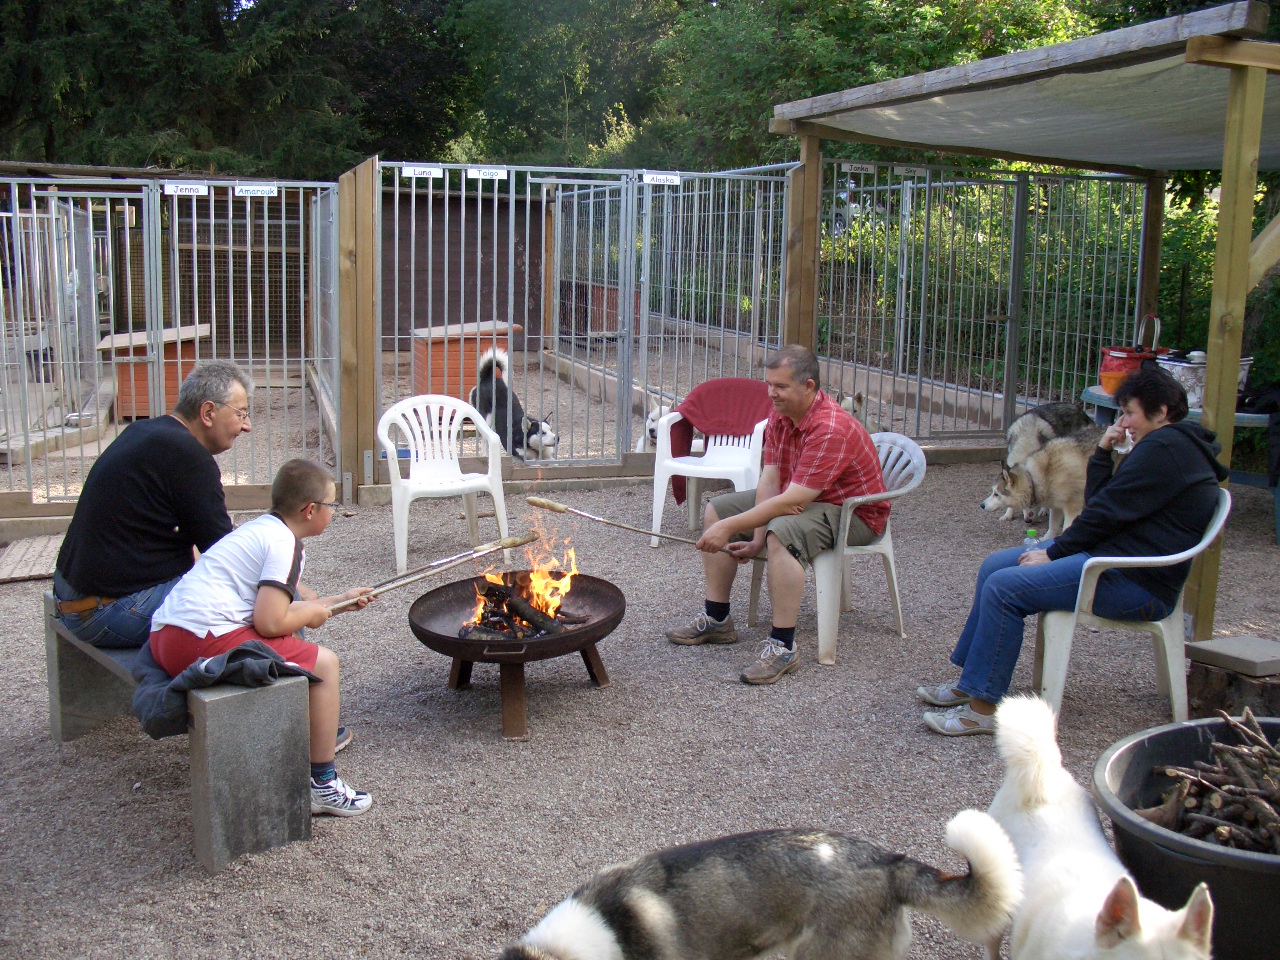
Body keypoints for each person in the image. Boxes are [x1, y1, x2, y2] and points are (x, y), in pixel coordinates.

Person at [918, 366, 1229, 735]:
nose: (1124, 423)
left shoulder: (1165, 450)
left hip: (1136, 582)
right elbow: (1100, 503)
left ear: (1161, 411)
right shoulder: (1165, 445)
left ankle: (983, 709)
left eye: (1130, 413)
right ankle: (972, 682)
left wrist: (1054, 552)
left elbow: (1105, 514)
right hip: (1114, 559)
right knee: (994, 565)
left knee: (1005, 588)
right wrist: (1102, 452)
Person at [148, 459, 375, 817]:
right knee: (325, 665)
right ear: (310, 510)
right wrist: (315, 614)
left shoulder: (260, 530)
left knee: (299, 642)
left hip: (166, 635)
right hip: (199, 642)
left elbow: (273, 610)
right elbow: (270, 622)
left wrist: (338, 602)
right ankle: (322, 784)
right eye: (331, 504)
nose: (333, 511)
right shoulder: (287, 544)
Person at [664, 345, 890, 684]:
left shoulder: (830, 427)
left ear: (808, 386)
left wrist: (736, 528)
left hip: (854, 512)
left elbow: (792, 503)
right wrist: (754, 538)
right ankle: (717, 620)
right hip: (807, 498)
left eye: (780, 386)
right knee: (717, 510)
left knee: (782, 531)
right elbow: (770, 479)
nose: (771, 393)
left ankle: (783, 647)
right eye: (769, 384)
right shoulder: (779, 416)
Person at [53, 360, 253, 649]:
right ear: (208, 412)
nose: (246, 425)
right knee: (267, 602)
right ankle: (291, 672)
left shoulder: (143, 431)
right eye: (241, 413)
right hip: (107, 611)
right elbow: (226, 555)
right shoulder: (191, 458)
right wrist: (289, 586)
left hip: (72, 595)